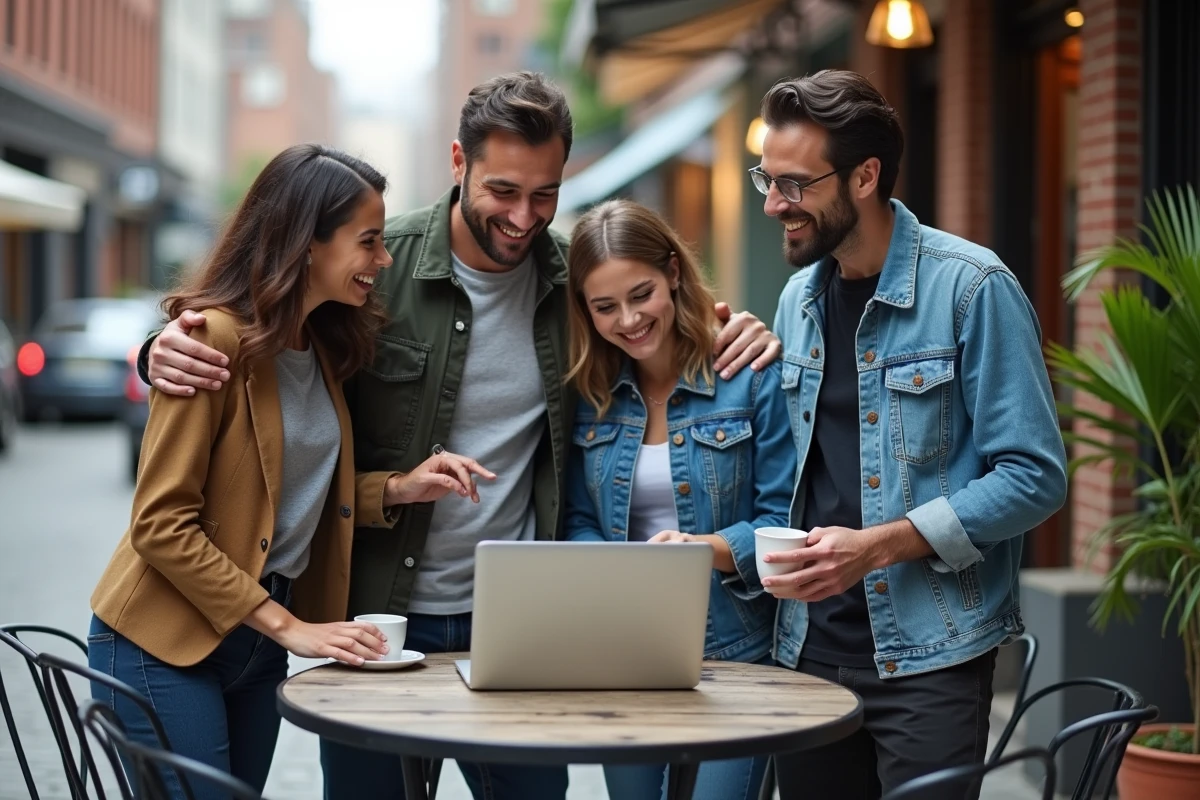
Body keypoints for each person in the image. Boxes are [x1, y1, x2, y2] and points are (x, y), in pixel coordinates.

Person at [136, 73, 781, 800]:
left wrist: (737, 327)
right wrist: (160, 348)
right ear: (457, 162)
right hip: (378, 620)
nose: (523, 215)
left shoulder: (572, 281)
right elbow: (264, 334)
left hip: (518, 627)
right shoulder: (377, 267)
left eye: (546, 194)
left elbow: (653, 325)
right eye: (503, 190)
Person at [87, 144, 490, 800]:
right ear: (307, 244)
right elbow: (160, 526)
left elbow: (286, 488)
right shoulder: (212, 342)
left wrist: (397, 487)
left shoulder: (319, 348)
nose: (382, 260)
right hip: (163, 639)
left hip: (250, 646)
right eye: (368, 242)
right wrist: (289, 625)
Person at [748, 70, 1069, 799]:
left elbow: (1034, 475)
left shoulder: (973, 288)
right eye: (766, 179)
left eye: (794, 185)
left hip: (932, 659)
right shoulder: (798, 298)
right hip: (806, 652)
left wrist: (879, 545)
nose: (773, 204)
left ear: (864, 176)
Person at [562, 199, 795, 800]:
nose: (629, 319)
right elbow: (580, 518)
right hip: (627, 654)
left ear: (672, 272)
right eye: (605, 306)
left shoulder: (750, 375)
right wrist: (611, 562)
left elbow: (784, 520)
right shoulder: (590, 395)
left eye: (641, 294)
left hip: (740, 653)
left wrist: (701, 549)